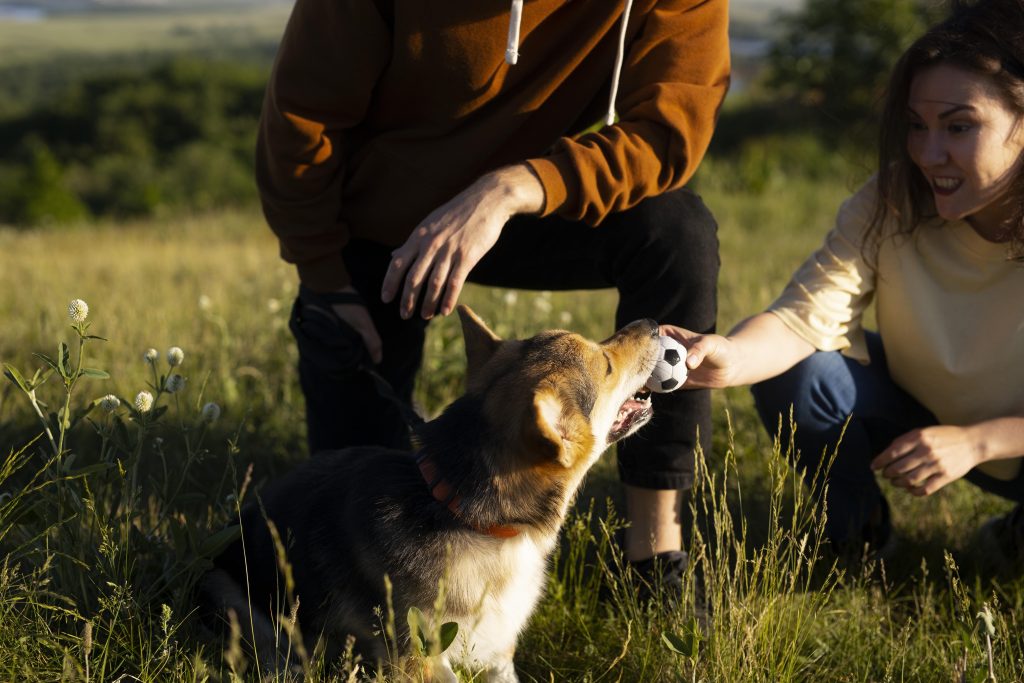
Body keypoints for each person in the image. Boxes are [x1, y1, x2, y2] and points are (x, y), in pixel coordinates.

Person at [255, 0, 730, 593]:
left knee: (675, 231)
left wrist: (512, 188)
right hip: (381, 220)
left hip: (531, 197)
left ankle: (654, 558)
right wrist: (325, 275)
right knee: (345, 516)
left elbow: (668, 129)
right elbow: (303, 115)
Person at [665, 0, 1024, 571]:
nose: (929, 155)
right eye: (915, 125)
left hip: (1011, 446)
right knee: (801, 373)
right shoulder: (889, 200)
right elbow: (801, 317)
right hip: (925, 410)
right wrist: (729, 359)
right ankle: (858, 538)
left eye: (960, 126)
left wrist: (979, 442)